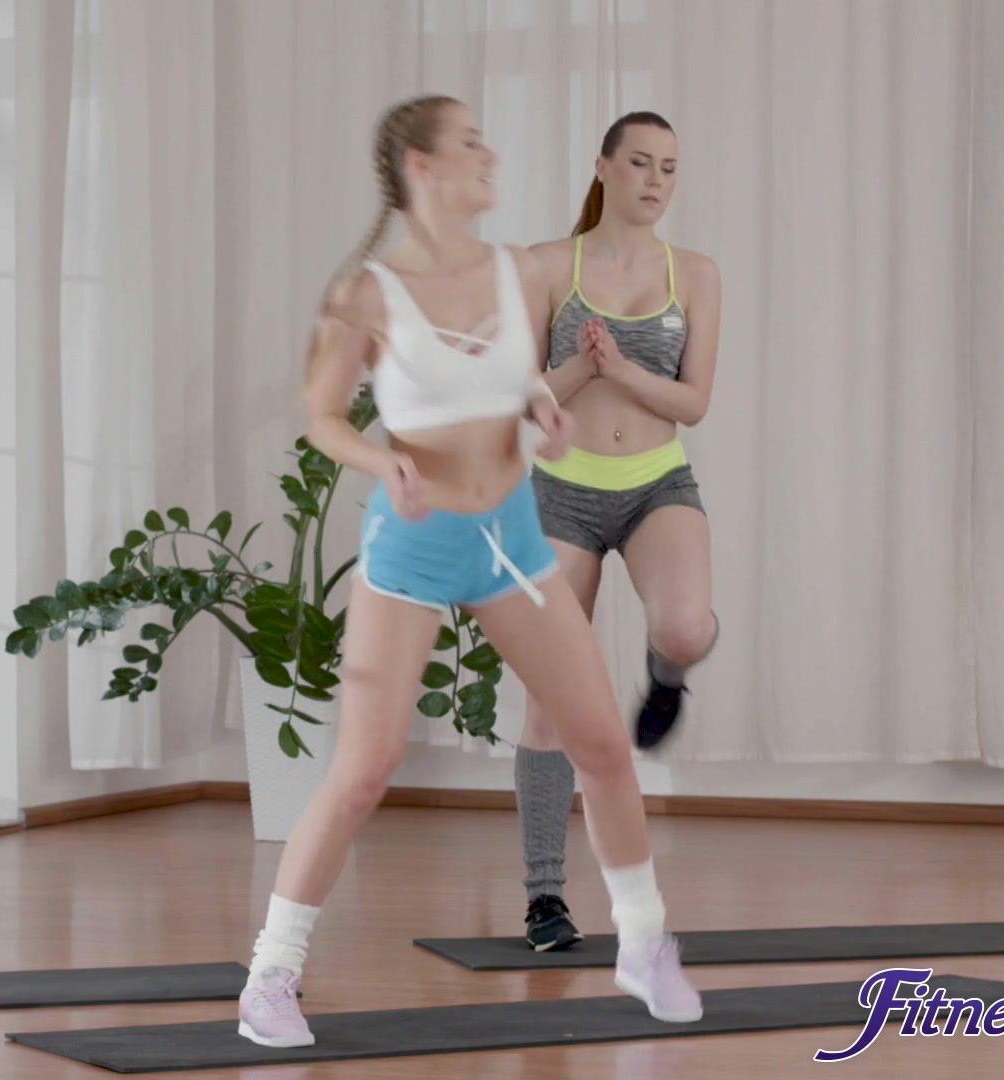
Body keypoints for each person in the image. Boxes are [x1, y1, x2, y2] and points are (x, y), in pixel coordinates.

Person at [234, 96, 703, 1050]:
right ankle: (270, 977)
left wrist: (542, 409)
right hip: (412, 547)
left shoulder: (512, 270)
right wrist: (382, 463)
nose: (491, 154)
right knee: (363, 771)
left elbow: (513, 377)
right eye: (471, 142)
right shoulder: (366, 294)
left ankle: (644, 941)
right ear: (422, 167)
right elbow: (321, 416)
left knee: (602, 745)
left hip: (509, 539)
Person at [512, 111, 723, 951]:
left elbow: (694, 402)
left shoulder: (695, 274)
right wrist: (581, 366)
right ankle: (544, 897)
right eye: (640, 163)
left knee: (685, 627)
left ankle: (667, 678)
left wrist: (625, 369)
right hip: (561, 494)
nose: (655, 181)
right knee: (551, 699)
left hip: (655, 484)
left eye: (669, 167)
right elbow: (519, 395)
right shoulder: (545, 266)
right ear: (602, 167)